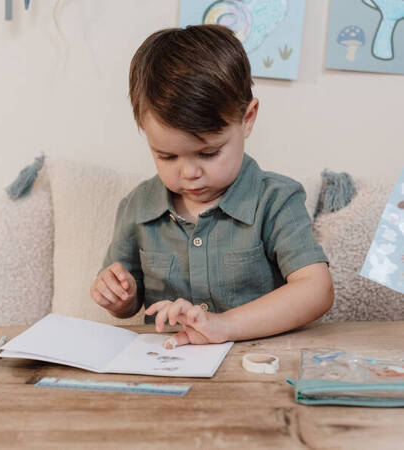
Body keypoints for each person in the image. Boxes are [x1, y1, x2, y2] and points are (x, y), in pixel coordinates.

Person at [90, 24, 333, 349]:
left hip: (254, 366)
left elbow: (317, 290)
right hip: (167, 365)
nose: (189, 172)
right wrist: (120, 296)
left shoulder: (275, 199)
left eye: (208, 153)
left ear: (247, 119)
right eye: (167, 156)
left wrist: (224, 325)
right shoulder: (137, 207)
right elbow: (128, 299)